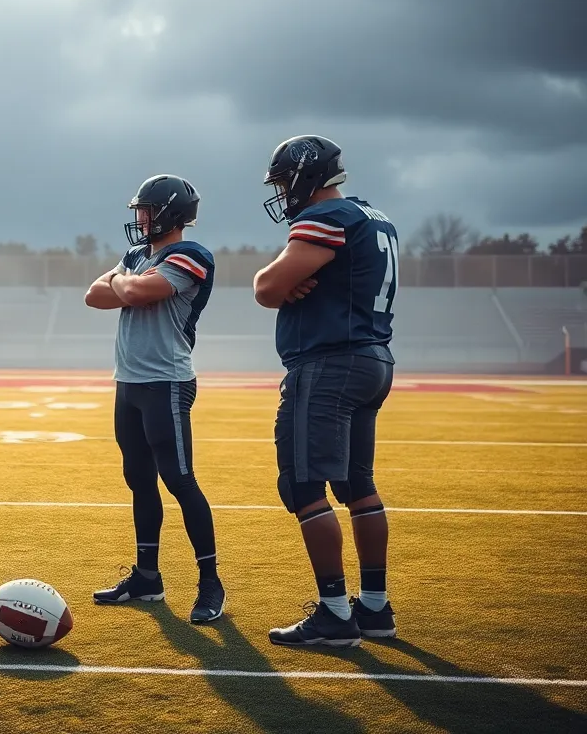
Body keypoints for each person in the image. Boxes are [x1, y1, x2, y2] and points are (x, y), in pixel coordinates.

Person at [252, 135, 398, 648]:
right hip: (373, 358)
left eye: (283, 180)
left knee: (303, 485)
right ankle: (375, 608)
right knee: (358, 484)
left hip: (329, 362)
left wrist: (278, 282)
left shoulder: (327, 218)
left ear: (306, 175)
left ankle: (336, 614)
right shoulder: (372, 216)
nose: (280, 190)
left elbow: (266, 288)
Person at [85, 174, 226, 624]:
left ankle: (210, 582)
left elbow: (139, 291)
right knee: (139, 480)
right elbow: (94, 297)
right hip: (129, 382)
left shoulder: (190, 255)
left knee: (180, 481)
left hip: (167, 382)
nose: (139, 218)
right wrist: (123, 280)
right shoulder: (137, 257)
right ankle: (148, 576)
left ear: (168, 213)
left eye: (145, 210)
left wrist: (121, 281)